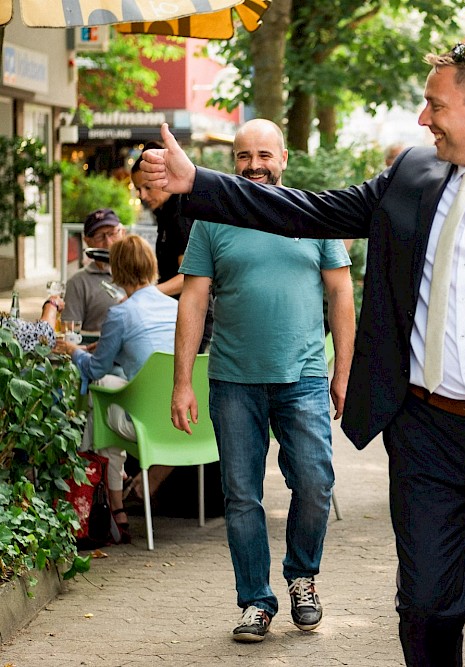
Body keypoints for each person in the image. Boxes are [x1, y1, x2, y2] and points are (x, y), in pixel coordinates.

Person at [142, 42, 465, 667]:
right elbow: (311, 210)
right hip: (425, 433)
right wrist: (199, 183)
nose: (423, 119)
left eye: (435, 105)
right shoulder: (413, 176)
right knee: (425, 609)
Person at [170, 119, 354, 643]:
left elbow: (340, 294)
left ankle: (303, 578)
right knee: (241, 496)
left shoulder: (313, 212)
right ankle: (255, 600)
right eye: (244, 156)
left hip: (304, 378)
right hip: (233, 381)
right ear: (234, 161)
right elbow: (194, 300)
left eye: (264, 155)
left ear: (284, 157)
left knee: (316, 485)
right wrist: (182, 381)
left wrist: (342, 371)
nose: (255, 165)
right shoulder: (211, 218)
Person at [57, 235, 179, 544]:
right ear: (151, 265)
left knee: (100, 395)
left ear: (116, 270)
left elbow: (96, 368)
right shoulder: (175, 307)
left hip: (145, 422)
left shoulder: (120, 313)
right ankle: (116, 506)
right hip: (183, 418)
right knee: (107, 398)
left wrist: (73, 351)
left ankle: (110, 507)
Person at [131, 146, 213, 350]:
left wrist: (148, 294)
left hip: (193, 317)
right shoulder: (166, 212)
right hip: (179, 312)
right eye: (138, 190)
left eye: (147, 187)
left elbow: (191, 276)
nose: (142, 195)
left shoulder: (180, 214)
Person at [63, 208, 126, 333]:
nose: (108, 243)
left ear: (123, 233)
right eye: (99, 237)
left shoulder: (140, 272)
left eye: (112, 233)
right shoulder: (77, 282)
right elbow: (69, 333)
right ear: (87, 241)